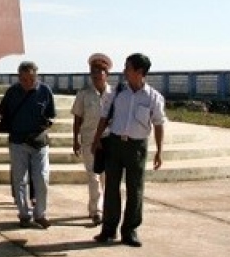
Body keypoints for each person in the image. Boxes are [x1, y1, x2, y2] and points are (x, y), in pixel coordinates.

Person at [92, 53, 166, 248]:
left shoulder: (154, 98)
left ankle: (130, 230)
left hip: (137, 147)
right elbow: (104, 117)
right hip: (115, 144)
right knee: (111, 189)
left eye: (128, 68)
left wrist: (159, 151)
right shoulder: (117, 93)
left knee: (135, 189)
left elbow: (158, 124)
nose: (124, 71)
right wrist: (97, 139)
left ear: (139, 72)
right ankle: (108, 229)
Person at [0, 61, 56, 229]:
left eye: (30, 79)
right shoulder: (12, 92)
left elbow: (51, 115)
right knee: (19, 180)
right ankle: (24, 214)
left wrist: (45, 124)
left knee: (42, 179)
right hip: (17, 141)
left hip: (39, 142)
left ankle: (40, 214)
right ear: (19, 77)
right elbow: (3, 111)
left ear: (36, 76)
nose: (27, 83)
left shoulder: (45, 91)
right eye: (23, 79)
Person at [71, 52, 113, 226]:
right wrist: (75, 139)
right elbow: (78, 118)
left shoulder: (114, 94)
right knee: (93, 176)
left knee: (105, 177)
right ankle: (97, 211)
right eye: (93, 71)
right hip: (89, 139)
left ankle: (96, 207)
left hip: (109, 139)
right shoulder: (84, 94)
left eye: (99, 71)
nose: (96, 75)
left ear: (106, 74)